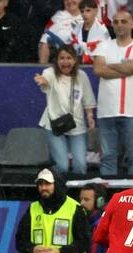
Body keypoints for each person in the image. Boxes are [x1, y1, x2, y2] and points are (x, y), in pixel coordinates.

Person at [92, 10, 133, 177]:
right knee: (108, 157)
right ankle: (107, 197)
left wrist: (110, 66)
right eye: (116, 22)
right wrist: (125, 68)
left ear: (132, 24)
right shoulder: (103, 45)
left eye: (123, 21)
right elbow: (98, 69)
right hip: (107, 110)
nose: (119, 25)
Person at [34, 44, 96, 175]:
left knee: (80, 166)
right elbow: (46, 81)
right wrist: (42, 81)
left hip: (77, 125)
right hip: (54, 125)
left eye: (69, 58)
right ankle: (48, 179)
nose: (65, 61)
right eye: (61, 58)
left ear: (75, 60)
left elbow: (88, 100)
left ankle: (76, 194)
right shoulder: (49, 72)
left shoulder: (82, 76)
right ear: (56, 60)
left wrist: (90, 117)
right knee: (62, 166)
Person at [14, 168, 91, 253]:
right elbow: (20, 241)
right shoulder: (33, 209)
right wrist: (32, 249)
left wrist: (60, 252)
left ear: (57, 184)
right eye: (40, 184)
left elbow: (84, 242)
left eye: (47, 184)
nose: (43, 188)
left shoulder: (75, 209)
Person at [38, 0, 82, 64]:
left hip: (82, 60)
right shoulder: (57, 17)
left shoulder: (91, 18)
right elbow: (44, 41)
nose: (69, 1)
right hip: (60, 58)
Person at [70, 0, 108, 64]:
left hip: (97, 64)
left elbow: (102, 50)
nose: (84, 14)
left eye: (88, 10)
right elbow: (72, 44)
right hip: (77, 63)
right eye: (82, 11)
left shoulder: (103, 29)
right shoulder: (77, 28)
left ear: (95, 11)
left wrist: (81, 47)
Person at [79, 182, 107, 253]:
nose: (81, 203)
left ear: (99, 202)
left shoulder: (99, 224)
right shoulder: (85, 220)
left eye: (86, 200)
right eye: (81, 199)